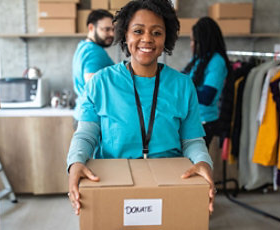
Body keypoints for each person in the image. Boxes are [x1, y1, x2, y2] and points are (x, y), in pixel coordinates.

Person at [67, 0, 215, 216]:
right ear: (125, 35)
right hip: (114, 181)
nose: (147, 39)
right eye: (138, 31)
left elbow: (191, 140)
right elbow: (86, 134)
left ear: (166, 38)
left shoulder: (182, 85)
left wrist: (203, 161)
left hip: (171, 183)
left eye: (157, 32)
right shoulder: (100, 83)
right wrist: (76, 162)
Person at [182, 17, 232, 149]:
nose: (192, 44)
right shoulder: (199, 59)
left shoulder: (217, 62)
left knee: (193, 165)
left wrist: (181, 89)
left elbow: (207, 96)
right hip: (191, 121)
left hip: (204, 124)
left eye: (194, 41)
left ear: (203, 41)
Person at [72, 9, 115, 122]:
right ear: (91, 28)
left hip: (82, 113)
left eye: (113, 29)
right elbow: (94, 88)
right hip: (92, 119)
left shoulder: (83, 46)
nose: (112, 34)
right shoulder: (94, 52)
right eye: (106, 29)